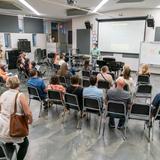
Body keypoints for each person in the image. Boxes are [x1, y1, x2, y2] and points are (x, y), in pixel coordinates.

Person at [0, 76, 32, 160]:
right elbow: (28, 113)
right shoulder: (20, 95)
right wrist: (30, 120)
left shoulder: (3, 94)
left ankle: (8, 150)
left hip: (2, 128)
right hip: (14, 128)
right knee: (25, 144)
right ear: (18, 83)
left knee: (8, 140)